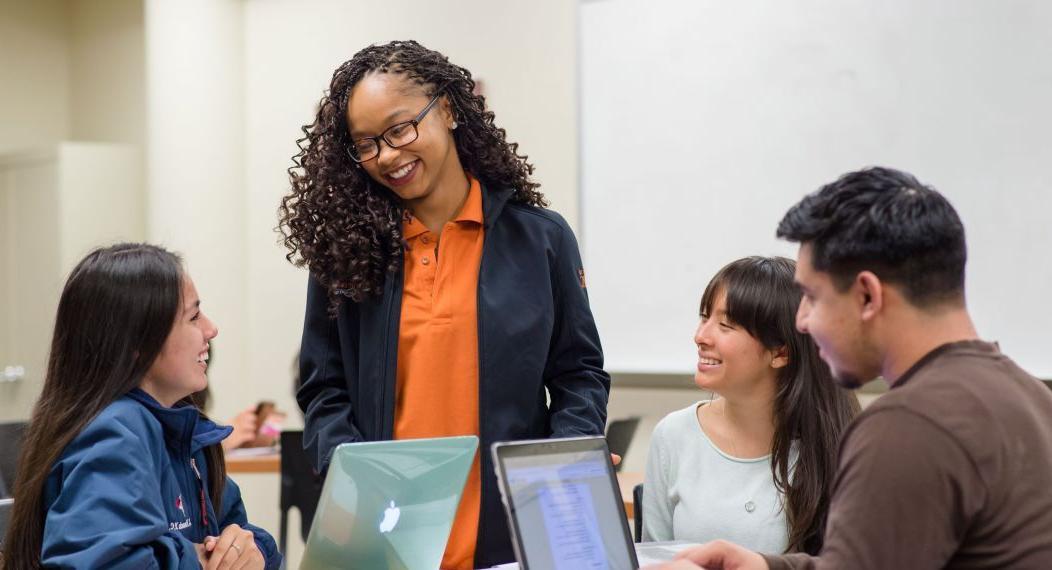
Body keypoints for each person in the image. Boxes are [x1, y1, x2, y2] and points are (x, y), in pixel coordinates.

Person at [278, 40, 610, 569]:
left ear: (449, 110)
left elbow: (579, 373)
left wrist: (561, 461)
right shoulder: (347, 253)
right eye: (364, 144)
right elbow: (324, 387)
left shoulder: (540, 240)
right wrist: (350, 470)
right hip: (386, 541)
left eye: (400, 128)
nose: (386, 155)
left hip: (510, 540)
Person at [650, 167, 1052, 569]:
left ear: (866, 296)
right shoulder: (1030, 396)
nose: (803, 321)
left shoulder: (909, 426)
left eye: (812, 297)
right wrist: (765, 566)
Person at [0, 243, 281, 569]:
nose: (211, 329)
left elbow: (236, 528)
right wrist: (197, 559)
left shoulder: (181, 433)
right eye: (193, 316)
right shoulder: (114, 431)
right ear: (136, 343)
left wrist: (254, 550)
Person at [643, 257, 858, 554]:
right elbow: (653, 559)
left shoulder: (834, 445)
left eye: (726, 325)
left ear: (780, 352)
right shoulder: (673, 435)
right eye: (704, 317)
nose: (701, 336)